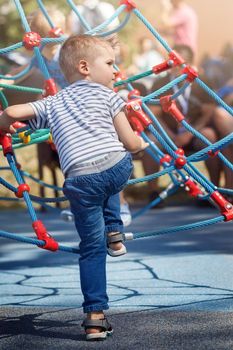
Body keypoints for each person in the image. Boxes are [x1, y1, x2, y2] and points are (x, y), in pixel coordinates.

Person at [0, 34, 148, 340]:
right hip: (115, 168)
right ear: (84, 67)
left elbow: (13, 113)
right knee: (113, 171)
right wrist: (142, 145)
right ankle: (115, 230)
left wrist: (4, 125)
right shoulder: (109, 96)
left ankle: (94, 318)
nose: (116, 70)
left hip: (78, 182)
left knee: (91, 250)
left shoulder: (53, 102)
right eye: (109, 63)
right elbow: (129, 142)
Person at [142, 44, 223, 206]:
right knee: (150, 142)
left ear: (188, 62)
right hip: (168, 133)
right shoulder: (162, 84)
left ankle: (213, 190)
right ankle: (153, 192)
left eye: (178, 62)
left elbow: (209, 112)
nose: (174, 66)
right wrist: (171, 137)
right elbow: (153, 115)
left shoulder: (201, 82)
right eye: (171, 62)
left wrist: (190, 133)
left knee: (210, 137)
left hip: (195, 131)